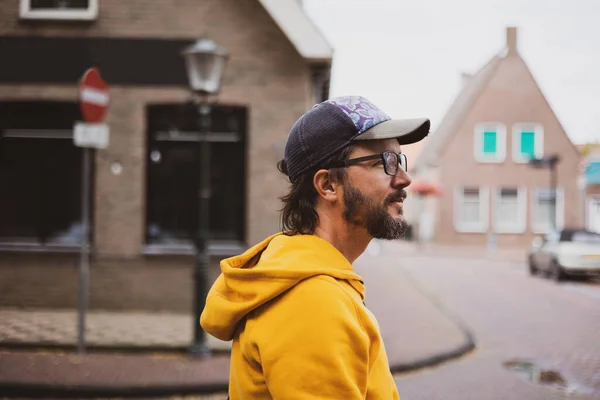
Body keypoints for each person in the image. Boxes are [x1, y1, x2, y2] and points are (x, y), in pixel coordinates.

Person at [201, 95, 430, 399]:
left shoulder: (307, 279)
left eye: (399, 160)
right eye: (384, 162)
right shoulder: (312, 301)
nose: (404, 178)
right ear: (328, 186)